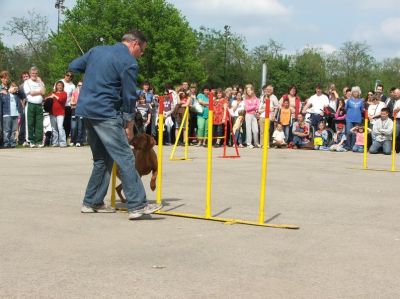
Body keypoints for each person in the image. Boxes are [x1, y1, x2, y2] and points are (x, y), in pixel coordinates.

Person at [68, 29, 161, 220]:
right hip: (105, 113)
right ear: (134, 44)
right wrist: (128, 124)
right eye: (142, 50)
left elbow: (74, 65)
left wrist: (94, 65)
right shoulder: (128, 62)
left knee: (102, 159)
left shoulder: (96, 51)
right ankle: (137, 205)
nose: (141, 55)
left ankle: (92, 201)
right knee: (126, 157)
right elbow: (128, 95)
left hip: (86, 111)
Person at [23, 67, 46, 148]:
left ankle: (39, 141)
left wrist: (40, 82)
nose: (34, 75)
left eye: (36, 73)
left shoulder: (40, 82)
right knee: (30, 123)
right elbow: (30, 93)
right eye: (33, 73)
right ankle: (31, 141)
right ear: (30, 74)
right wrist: (39, 92)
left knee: (39, 124)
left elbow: (43, 92)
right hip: (31, 105)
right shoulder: (27, 82)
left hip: (39, 105)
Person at [1, 82, 24, 148]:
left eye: (15, 87)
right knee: (7, 130)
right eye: (12, 87)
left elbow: (22, 94)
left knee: (14, 130)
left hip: (15, 114)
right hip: (7, 114)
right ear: (9, 88)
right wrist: (7, 91)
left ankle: (13, 143)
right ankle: (6, 143)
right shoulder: (4, 95)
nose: (13, 88)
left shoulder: (16, 96)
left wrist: (17, 89)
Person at [47, 81, 68, 147]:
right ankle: (55, 142)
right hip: (52, 113)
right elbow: (46, 100)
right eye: (58, 85)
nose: (59, 87)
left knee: (60, 127)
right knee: (54, 128)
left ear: (63, 86)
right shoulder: (53, 93)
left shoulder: (64, 93)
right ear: (56, 86)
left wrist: (54, 96)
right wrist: (48, 97)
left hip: (60, 113)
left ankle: (63, 143)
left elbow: (61, 100)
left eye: (61, 85)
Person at [57, 71, 76, 143]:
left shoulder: (72, 85)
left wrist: (72, 104)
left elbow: (73, 96)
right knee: (59, 124)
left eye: (71, 76)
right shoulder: (60, 82)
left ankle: (64, 139)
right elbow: (54, 91)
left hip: (68, 106)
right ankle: (57, 139)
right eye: (67, 75)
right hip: (59, 105)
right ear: (65, 75)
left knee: (67, 123)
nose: (69, 77)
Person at [244, 84, 260, 148]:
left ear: (252, 90)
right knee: (248, 129)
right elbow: (246, 109)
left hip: (254, 115)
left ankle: (256, 143)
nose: (248, 92)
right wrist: (254, 106)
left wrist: (252, 107)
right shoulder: (245, 99)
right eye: (247, 90)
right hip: (248, 115)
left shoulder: (256, 98)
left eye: (249, 90)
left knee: (256, 130)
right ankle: (249, 143)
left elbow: (258, 106)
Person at [70, 81, 85, 146]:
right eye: (79, 85)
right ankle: (73, 140)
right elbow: (71, 102)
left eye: (81, 85)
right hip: (74, 111)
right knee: (73, 127)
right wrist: (77, 103)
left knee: (80, 127)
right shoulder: (74, 92)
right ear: (77, 86)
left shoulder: (85, 93)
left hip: (82, 111)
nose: (80, 86)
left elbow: (84, 103)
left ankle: (79, 141)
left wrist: (76, 103)